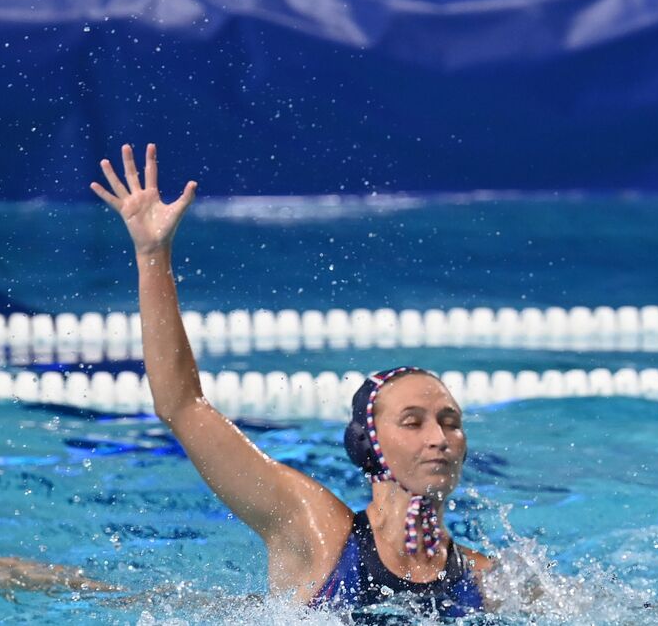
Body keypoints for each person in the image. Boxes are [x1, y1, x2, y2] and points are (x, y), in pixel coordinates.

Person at [90, 144, 492, 619]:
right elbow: (182, 407)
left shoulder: (484, 579)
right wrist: (153, 254)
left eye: (451, 423)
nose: (439, 439)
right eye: (412, 422)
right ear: (369, 444)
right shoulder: (315, 531)